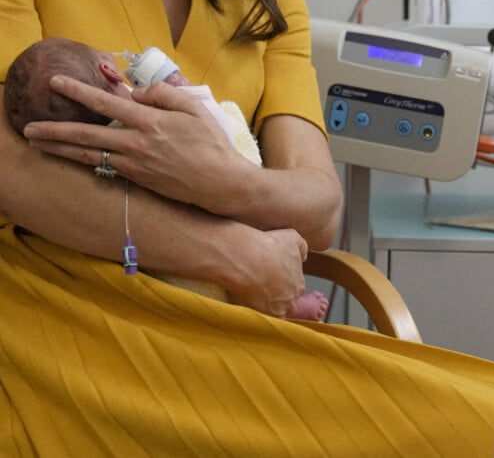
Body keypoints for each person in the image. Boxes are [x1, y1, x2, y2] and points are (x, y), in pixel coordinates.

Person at [0, 0, 494, 455]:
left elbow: (319, 208)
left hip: (229, 318)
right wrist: (235, 252)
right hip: (60, 310)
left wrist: (222, 181)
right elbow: (11, 169)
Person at [4, 36, 329, 320]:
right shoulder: (155, 106)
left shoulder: (83, 160)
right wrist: (183, 88)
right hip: (238, 251)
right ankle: (286, 307)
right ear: (109, 70)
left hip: (157, 286)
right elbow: (214, 126)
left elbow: (323, 216)